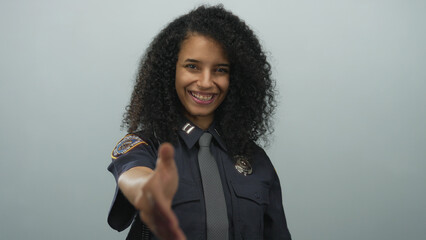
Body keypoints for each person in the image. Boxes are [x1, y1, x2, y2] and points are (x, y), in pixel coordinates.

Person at [107, 5, 292, 240]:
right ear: (169, 71)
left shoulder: (256, 160)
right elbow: (131, 175)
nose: (206, 82)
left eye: (220, 70)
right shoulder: (144, 146)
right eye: (192, 66)